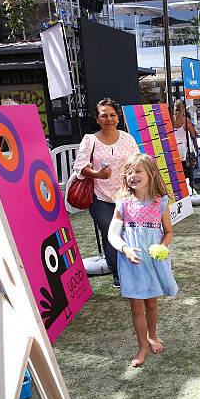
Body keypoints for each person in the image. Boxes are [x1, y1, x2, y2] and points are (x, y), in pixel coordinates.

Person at [107, 154, 178, 367]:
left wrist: (162, 247)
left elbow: (168, 232)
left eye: (138, 171)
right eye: (129, 172)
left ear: (151, 173)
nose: (132, 176)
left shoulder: (161, 202)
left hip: (153, 261)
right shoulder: (123, 204)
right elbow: (112, 234)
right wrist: (125, 248)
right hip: (131, 262)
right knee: (137, 307)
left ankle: (152, 336)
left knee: (152, 303)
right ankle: (142, 347)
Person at [73, 98, 140, 288]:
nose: (109, 119)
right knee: (111, 233)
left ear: (118, 117)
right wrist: (97, 174)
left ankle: (134, 268)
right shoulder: (90, 140)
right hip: (100, 197)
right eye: (104, 115)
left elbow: (138, 163)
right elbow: (79, 166)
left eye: (112, 115)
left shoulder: (127, 138)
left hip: (127, 196)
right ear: (98, 118)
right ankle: (119, 276)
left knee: (131, 233)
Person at [173, 100, 199, 184]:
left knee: (177, 168)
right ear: (183, 108)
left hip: (174, 147)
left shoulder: (171, 118)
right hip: (185, 147)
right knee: (188, 168)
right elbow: (193, 135)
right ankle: (190, 185)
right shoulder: (186, 120)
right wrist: (196, 147)